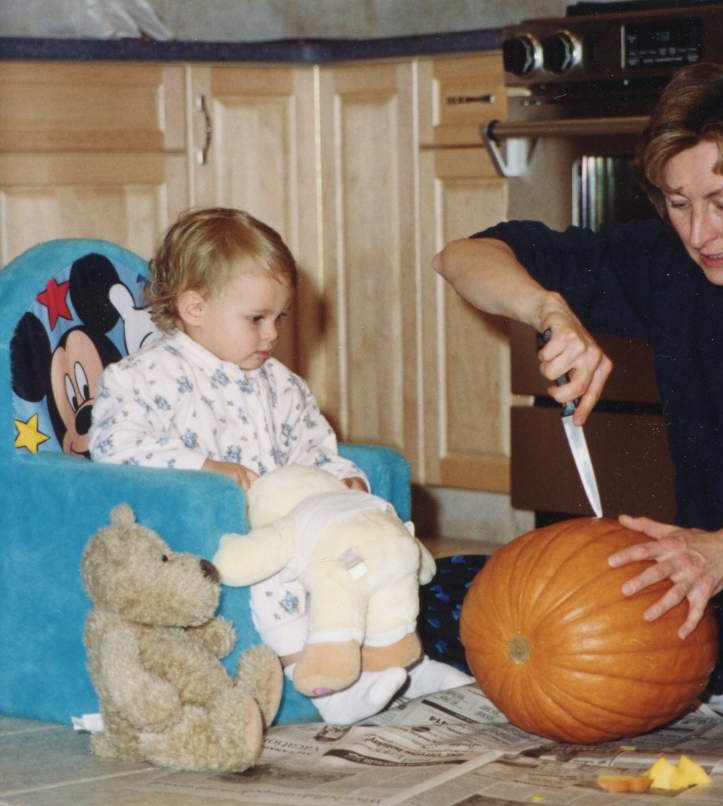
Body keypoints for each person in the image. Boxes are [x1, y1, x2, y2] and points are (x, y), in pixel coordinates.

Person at [427, 59, 723, 724]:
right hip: (692, 579)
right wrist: (550, 311)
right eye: (679, 204)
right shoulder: (665, 264)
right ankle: (715, 669)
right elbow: (462, 255)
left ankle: (709, 668)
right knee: (431, 591)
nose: (698, 236)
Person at [90, 207, 470, 723]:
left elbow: (312, 445)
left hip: (291, 524)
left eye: (279, 318)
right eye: (256, 319)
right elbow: (113, 445)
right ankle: (321, 686)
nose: (272, 334)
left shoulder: (280, 383)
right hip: (223, 538)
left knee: (375, 549)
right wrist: (201, 464)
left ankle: (397, 653)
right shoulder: (143, 377)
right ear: (194, 307)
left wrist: (339, 477)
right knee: (280, 577)